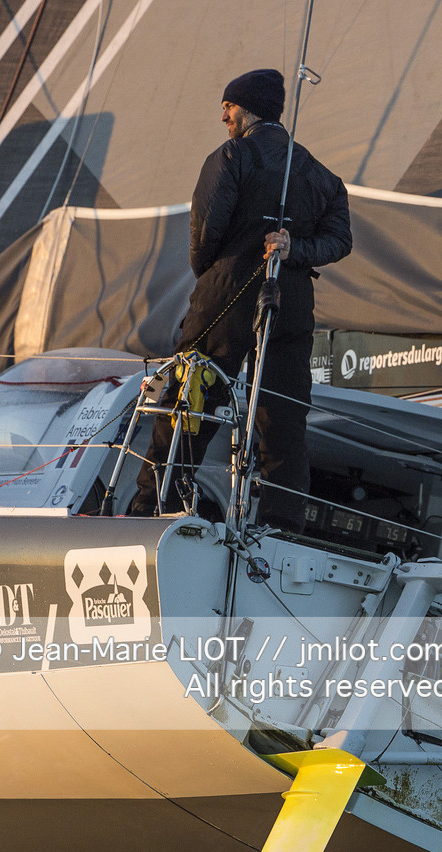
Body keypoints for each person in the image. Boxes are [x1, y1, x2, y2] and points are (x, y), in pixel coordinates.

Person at [130, 68, 351, 529]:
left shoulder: (231, 155)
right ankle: (280, 524)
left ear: (247, 109)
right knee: (283, 416)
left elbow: (204, 234)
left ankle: (156, 504)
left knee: (191, 399)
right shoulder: (319, 174)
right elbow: (341, 240)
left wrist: (214, 277)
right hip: (290, 302)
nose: (223, 116)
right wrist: (296, 250)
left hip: (225, 297)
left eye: (228, 106)